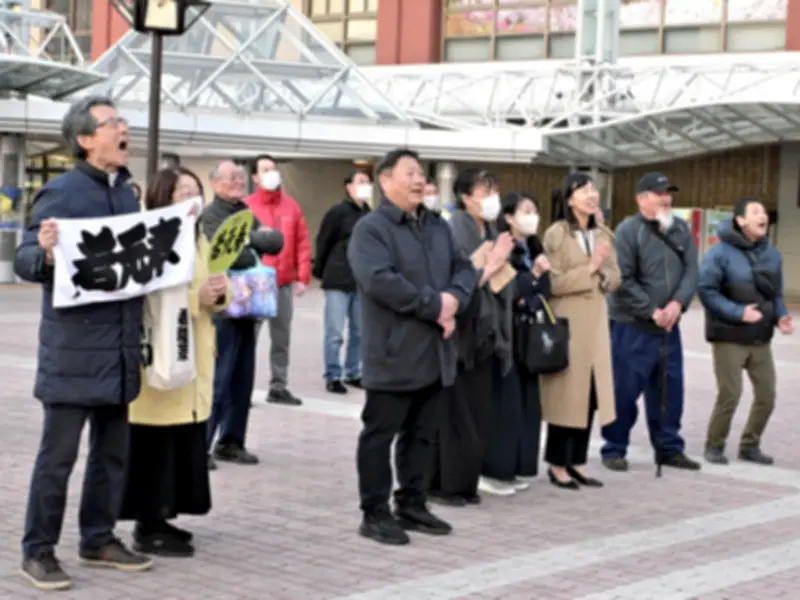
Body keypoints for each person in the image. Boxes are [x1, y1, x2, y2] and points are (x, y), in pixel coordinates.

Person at [15, 96, 151, 591]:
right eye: (113, 123)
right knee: (58, 457)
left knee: (112, 454)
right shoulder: (62, 193)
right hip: (73, 353)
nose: (124, 129)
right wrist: (46, 254)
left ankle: (98, 537)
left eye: (123, 121)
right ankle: (38, 550)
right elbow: (25, 259)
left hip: (119, 351)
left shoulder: (126, 195)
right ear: (85, 139)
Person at [348, 148, 477, 546]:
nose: (420, 180)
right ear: (386, 181)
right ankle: (374, 512)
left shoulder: (437, 226)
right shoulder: (371, 229)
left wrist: (454, 299)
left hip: (435, 351)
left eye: (422, 173)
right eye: (410, 173)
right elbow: (380, 280)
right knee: (380, 434)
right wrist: (435, 305)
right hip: (393, 351)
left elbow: (465, 269)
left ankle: (412, 503)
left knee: (423, 435)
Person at [120, 167, 229, 557]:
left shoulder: (199, 237)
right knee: (154, 443)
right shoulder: (153, 236)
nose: (191, 197)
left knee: (181, 440)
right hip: (161, 358)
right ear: (162, 196)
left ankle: (164, 517)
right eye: (182, 190)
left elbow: (211, 285)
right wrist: (197, 299)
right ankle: (147, 524)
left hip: (194, 354)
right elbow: (152, 297)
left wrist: (219, 293)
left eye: (195, 190)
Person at [601, 172, 700, 472]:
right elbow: (623, 279)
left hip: (670, 327)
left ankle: (668, 447)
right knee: (625, 391)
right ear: (641, 198)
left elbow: (691, 271)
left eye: (668, 193)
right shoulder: (629, 231)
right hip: (633, 326)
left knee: (670, 391)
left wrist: (676, 304)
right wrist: (652, 310)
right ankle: (614, 448)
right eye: (658, 193)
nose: (665, 198)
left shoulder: (680, 229)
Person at [428, 168, 514, 505]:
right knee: (456, 412)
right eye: (484, 190)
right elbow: (459, 279)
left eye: (494, 189)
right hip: (462, 332)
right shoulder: (455, 227)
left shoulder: (490, 228)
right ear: (465, 196)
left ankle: (465, 481)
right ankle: (446, 484)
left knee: (477, 411)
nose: (491, 197)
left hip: (487, 334)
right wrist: (491, 264)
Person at [698, 197, 794, 466]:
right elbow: (706, 291)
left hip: (761, 337)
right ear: (741, 221)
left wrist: (781, 316)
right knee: (731, 393)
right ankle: (714, 444)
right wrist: (738, 312)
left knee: (767, 395)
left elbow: (774, 292)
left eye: (763, 211)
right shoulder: (719, 253)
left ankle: (750, 445)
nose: (762, 215)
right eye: (755, 212)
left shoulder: (772, 254)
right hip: (729, 336)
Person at [540, 173, 620, 490]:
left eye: (593, 189)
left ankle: (578, 461)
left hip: (597, 322)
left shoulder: (603, 233)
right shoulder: (557, 234)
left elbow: (615, 277)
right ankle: (557, 463)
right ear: (569, 197)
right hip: (569, 321)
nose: (591, 195)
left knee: (590, 394)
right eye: (583, 190)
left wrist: (601, 271)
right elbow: (554, 283)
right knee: (567, 394)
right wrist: (589, 267)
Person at [202, 160, 284, 468]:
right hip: (223, 308)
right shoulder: (210, 216)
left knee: (242, 378)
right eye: (231, 178)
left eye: (240, 177)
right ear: (215, 183)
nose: (238, 182)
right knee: (219, 378)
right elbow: (227, 257)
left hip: (248, 306)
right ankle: (203, 444)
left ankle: (232, 441)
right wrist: (253, 242)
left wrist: (249, 242)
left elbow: (276, 242)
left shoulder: (245, 214)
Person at [245, 154, 311, 407]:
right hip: (257, 281)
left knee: (281, 338)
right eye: (265, 169)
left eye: (273, 169)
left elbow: (302, 243)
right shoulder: (246, 206)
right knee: (248, 338)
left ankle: (278, 385)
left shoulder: (291, 207)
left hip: (283, 281)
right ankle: (244, 387)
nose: (271, 173)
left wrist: (302, 277)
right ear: (255, 177)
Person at [499, 191, 551, 484]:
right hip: (510, 333)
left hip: (532, 331)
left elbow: (544, 288)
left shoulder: (534, 246)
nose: (533, 216)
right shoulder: (504, 247)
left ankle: (522, 466)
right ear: (508, 218)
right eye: (525, 211)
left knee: (531, 404)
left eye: (534, 210)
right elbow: (511, 288)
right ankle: (502, 467)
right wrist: (532, 277)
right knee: (511, 402)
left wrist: (532, 288)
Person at [313, 170, 372, 394]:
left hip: (361, 281)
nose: (366, 185)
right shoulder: (338, 211)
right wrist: (320, 270)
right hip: (338, 278)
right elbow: (324, 240)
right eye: (361, 182)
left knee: (359, 331)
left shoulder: (369, 214)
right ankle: (333, 374)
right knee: (335, 331)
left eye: (368, 182)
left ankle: (353, 371)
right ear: (348, 186)